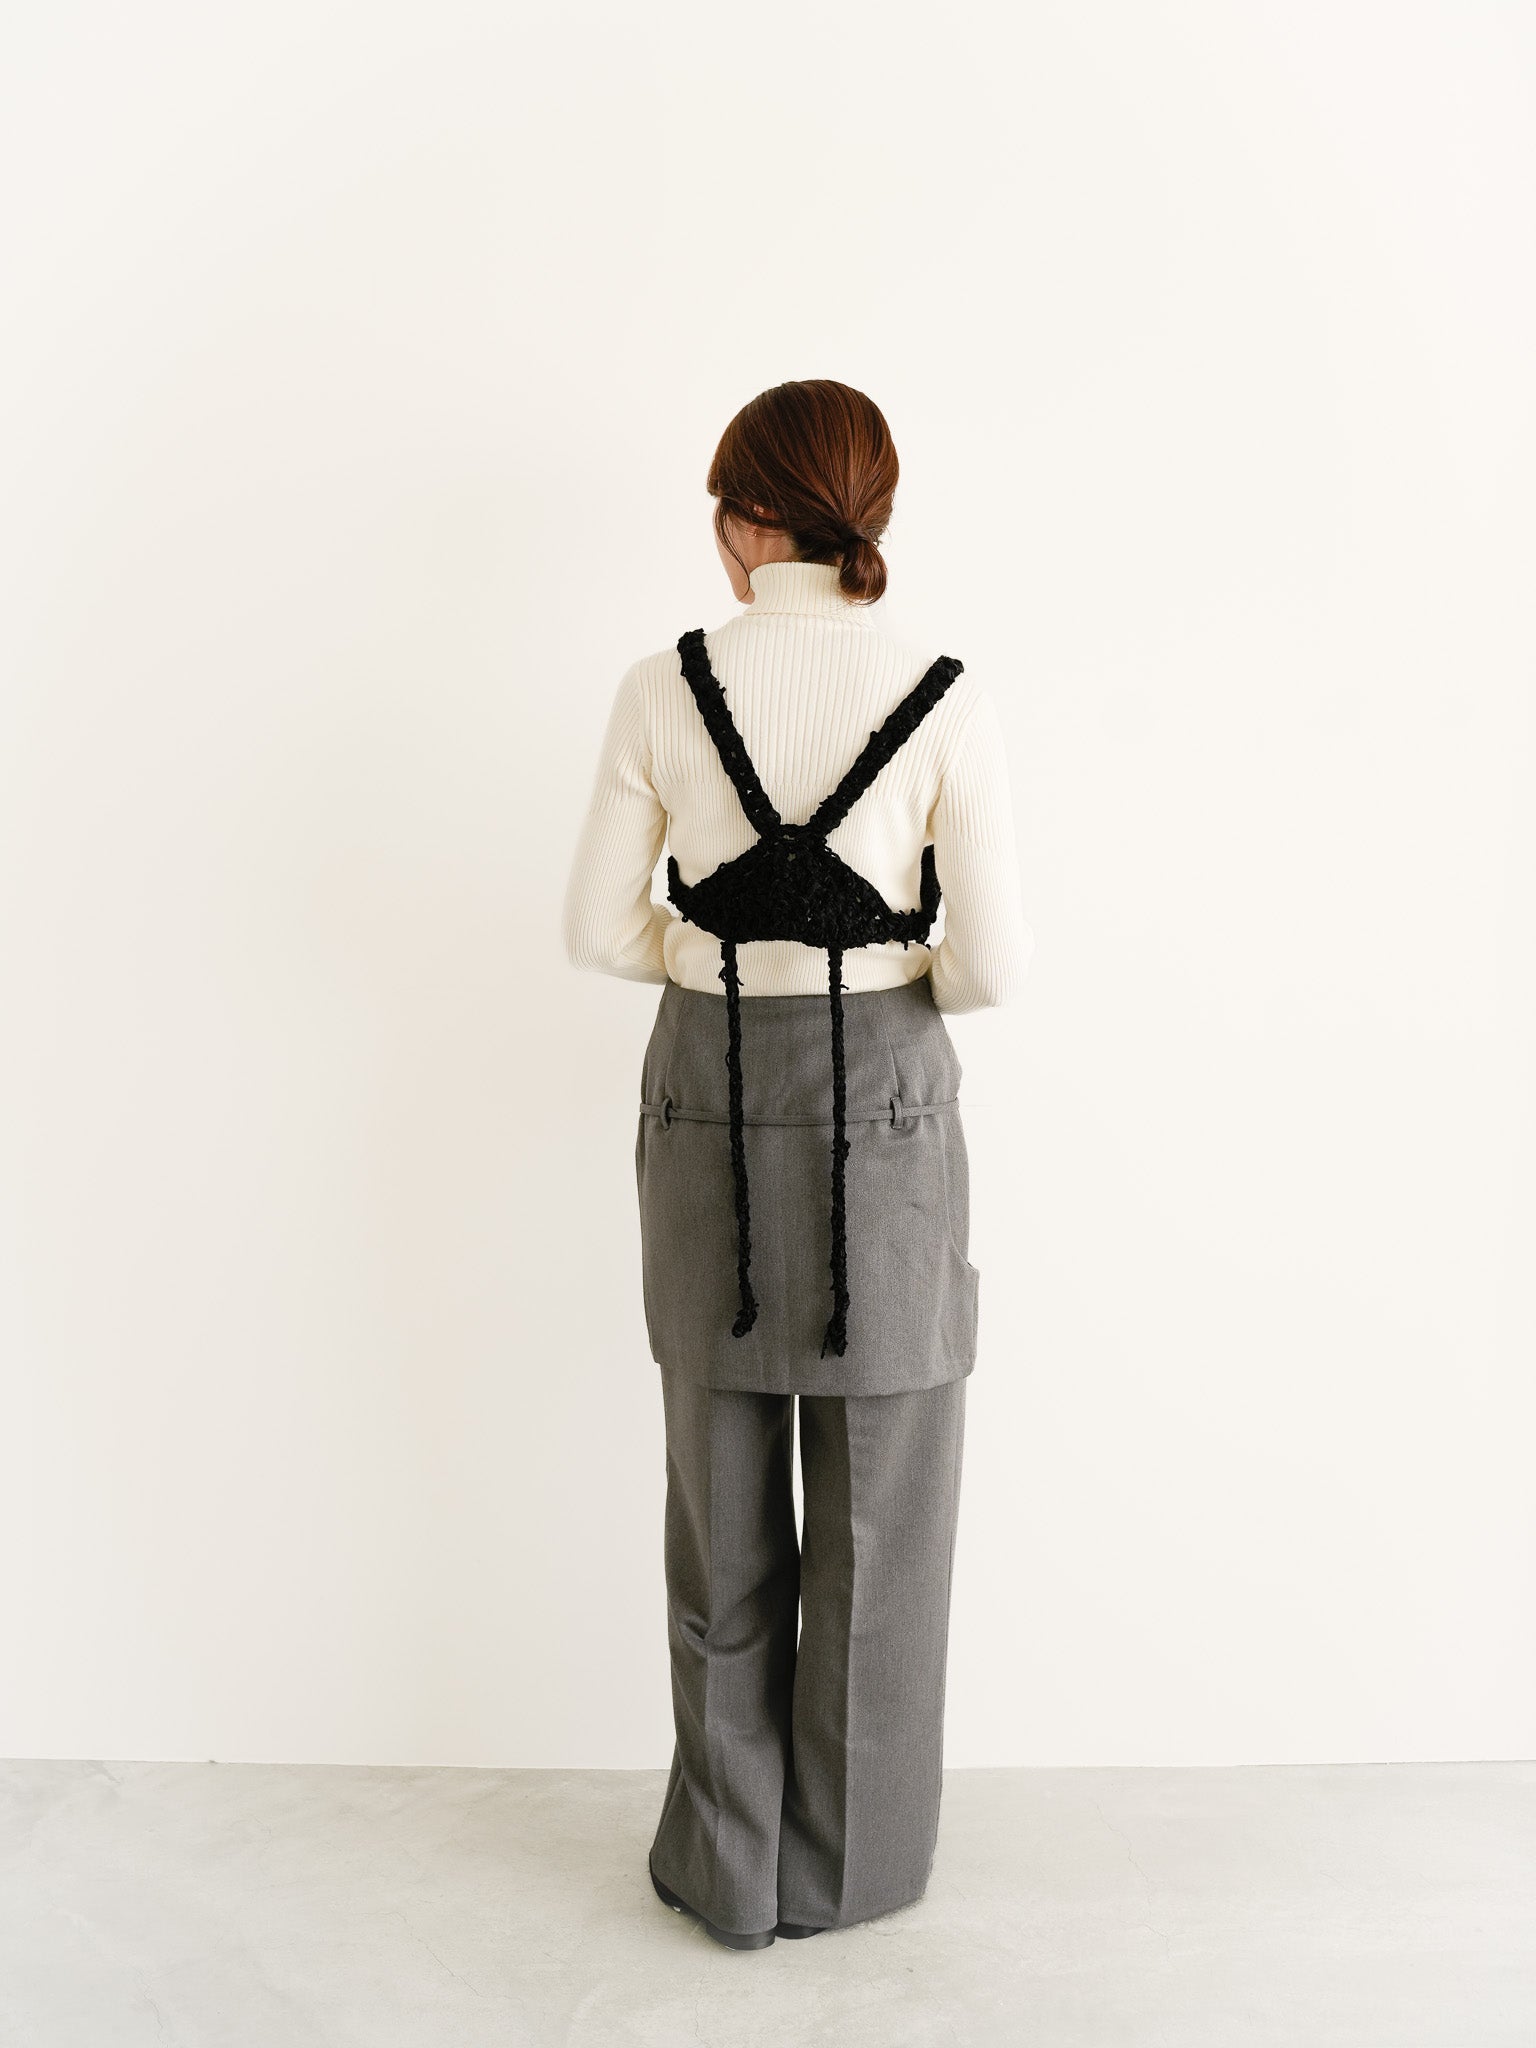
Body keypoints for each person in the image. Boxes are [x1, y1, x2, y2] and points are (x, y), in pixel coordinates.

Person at [561, 379, 1034, 1950]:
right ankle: (853, 1873)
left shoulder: (663, 688)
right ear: (866, 516)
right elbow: (994, 967)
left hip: (707, 1087)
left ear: (747, 517)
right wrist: (880, 963)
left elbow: (595, 929)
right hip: (883, 1097)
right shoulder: (943, 693)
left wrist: (718, 952)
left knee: (720, 1511)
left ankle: (731, 1867)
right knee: (885, 1511)